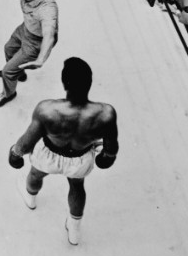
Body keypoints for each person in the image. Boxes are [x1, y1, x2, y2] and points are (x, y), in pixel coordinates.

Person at [7, 57, 118, 246]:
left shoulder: (47, 110)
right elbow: (111, 148)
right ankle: (74, 229)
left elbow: (26, 143)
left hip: (48, 155)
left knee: (35, 174)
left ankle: (31, 199)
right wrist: (106, 157)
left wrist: (15, 154)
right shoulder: (105, 113)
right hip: (80, 160)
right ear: (89, 82)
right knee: (77, 187)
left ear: (65, 83)